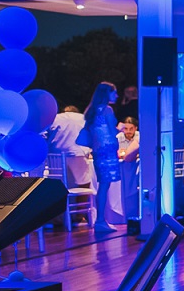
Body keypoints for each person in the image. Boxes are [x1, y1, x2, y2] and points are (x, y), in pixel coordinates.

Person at [84, 81, 125, 234]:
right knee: (104, 186)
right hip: (107, 151)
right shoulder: (107, 110)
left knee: (103, 185)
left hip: (98, 151)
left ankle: (100, 220)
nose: (117, 95)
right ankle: (100, 220)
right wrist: (120, 128)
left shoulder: (92, 110)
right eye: (114, 92)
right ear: (107, 93)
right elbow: (112, 132)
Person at [47, 105, 91, 186]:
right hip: (77, 153)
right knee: (84, 184)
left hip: (55, 156)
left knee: (57, 183)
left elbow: (45, 135)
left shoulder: (55, 118)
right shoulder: (83, 118)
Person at [116, 117, 141, 227]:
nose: (128, 131)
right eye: (126, 129)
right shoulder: (119, 137)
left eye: (131, 129)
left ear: (136, 128)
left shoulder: (139, 136)